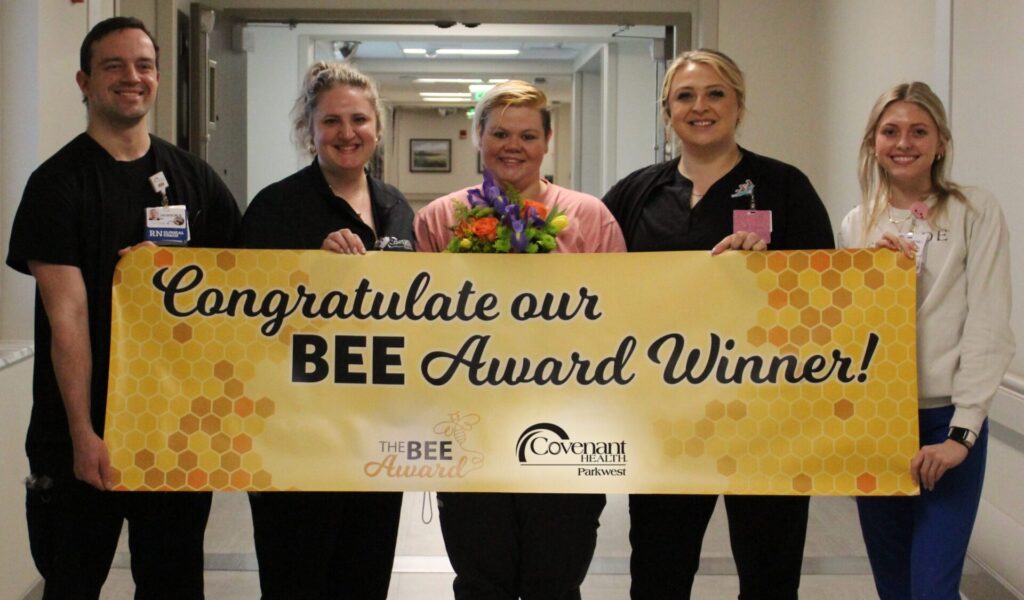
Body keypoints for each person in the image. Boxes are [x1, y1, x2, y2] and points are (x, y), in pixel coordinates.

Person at [5, 17, 241, 599]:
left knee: (174, 582)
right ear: (85, 81)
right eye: (113, 66)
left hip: (175, 430)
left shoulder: (193, 179)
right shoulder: (57, 184)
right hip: (81, 434)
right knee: (72, 580)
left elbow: (240, 292)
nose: (131, 78)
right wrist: (85, 433)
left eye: (143, 65)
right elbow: (68, 320)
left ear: (158, 77)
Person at [602, 49, 834, 599]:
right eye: (685, 96)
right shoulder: (635, 194)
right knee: (658, 573)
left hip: (768, 420)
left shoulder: (784, 187)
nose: (700, 107)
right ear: (668, 111)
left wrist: (774, 266)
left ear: (739, 105)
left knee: (770, 576)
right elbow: (594, 289)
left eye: (715, 94)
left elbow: (830, 295)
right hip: (668, 420)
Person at [415, 80, 626, 599]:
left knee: (555, 578)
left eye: (528, 135)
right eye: (501, 132)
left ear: (548, 141)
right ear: (479, 137)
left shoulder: (590, 217)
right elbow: (415, 322)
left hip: (567, 427)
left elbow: (624, 315)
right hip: (468, 427)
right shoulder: (440, 219)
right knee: (481, 578)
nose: (514, 145)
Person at [240, 61, 412, 599]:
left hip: (374, 435)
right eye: (331, 121)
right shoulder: (275, 208)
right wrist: (310, 269)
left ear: (377, 130)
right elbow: (238, 319)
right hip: (293, 437)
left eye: (359, 119)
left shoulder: (396, 208)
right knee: (297, 580)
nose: (346, 133)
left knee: (364, 578)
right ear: (308, 130)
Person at [838, 82, 1013, 599]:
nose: (904, 142)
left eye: (919, 131)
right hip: (877, 424)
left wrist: (962, 433)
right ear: (873, 142)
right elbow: (850, 335)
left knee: (933, 588)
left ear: (941, 142)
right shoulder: (857, 224)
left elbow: (988, 324)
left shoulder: (973, 211)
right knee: (893, 586)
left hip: (945, 421)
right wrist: (876, 275)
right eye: (890, 131)